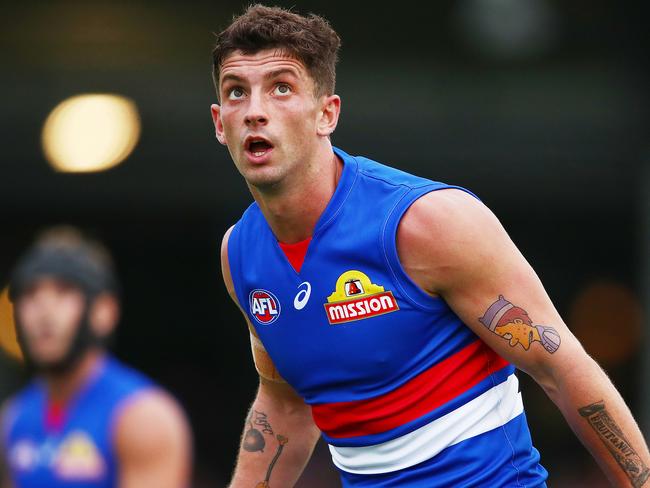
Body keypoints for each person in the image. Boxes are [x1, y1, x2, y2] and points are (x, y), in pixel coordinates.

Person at [211, 4, 650, 487]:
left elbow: (560, 367)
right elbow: (285, 401)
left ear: (326, 114)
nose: (254, 111)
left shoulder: (426, 221)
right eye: (237, 92)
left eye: (281, 88)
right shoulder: (241, 255)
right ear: (219, 123)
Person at [0, 227, 192, 488]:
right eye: (30, 294)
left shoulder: (143, 417)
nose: (44, 311)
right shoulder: (14, 418)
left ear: (105, 311)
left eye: (64, 292)